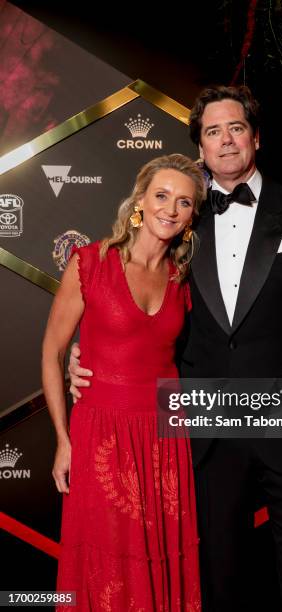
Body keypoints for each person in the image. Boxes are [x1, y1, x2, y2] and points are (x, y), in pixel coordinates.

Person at [70, 86, 282, 612]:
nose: (225, 141)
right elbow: (128, 294)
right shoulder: (181, 218)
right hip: (204, 422)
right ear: (200, 147)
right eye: (212, 132)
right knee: (216, 570)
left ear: (256, 138)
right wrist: (81, 352)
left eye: (236, 128)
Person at [42, 154, 206, 612]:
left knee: (160, 556)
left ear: (193, 216)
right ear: (139, 201)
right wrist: (62, 437)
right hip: (101, 432)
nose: (170, 209)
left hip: (165, 435)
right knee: (107, 557)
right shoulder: (91, 262)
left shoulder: (183, 278)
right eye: (161, 196)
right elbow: (54, 350)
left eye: (184, 202)